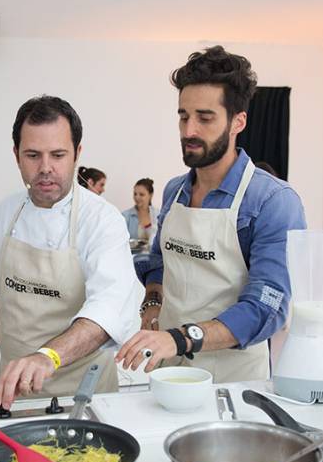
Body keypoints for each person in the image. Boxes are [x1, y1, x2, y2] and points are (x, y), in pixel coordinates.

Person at [117, 46, 306, 383]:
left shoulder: (273, 201)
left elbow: (267, 308)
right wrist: (152, 304)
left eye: (205, 118)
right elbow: (159, 262)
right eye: (183, 116)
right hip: (169, 370)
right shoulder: (175, 190)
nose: (189, 130)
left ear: (238, 122)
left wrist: (178, 339)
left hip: (233, 378)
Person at [0, 96, 142, 409]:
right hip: (15, 391)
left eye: (58, 155)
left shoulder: (102, 219)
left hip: (84, 394)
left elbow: (109, 309)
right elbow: (1, 290)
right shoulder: (8, 211)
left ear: (77, 154)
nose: (45, 168)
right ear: (16, 155)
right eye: (33, 155)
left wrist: (47, 356)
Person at [121, 178, 157, 247]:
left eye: (141, 194)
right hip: (132, 256)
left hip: (154, 256)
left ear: (150, 195)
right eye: (135, 194)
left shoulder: (158, 215)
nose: (137, 197)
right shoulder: (125, 216)